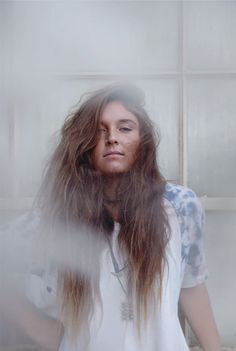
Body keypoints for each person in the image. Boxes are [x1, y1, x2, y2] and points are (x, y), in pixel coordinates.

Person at [0, 84, 221, 351]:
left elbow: (191, 285)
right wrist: (37, 328)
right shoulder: (57, 218)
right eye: (99, 130)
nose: (112, 138)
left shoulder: (180, 206)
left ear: (143, 141)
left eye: (125, 128)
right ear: (84, 145)